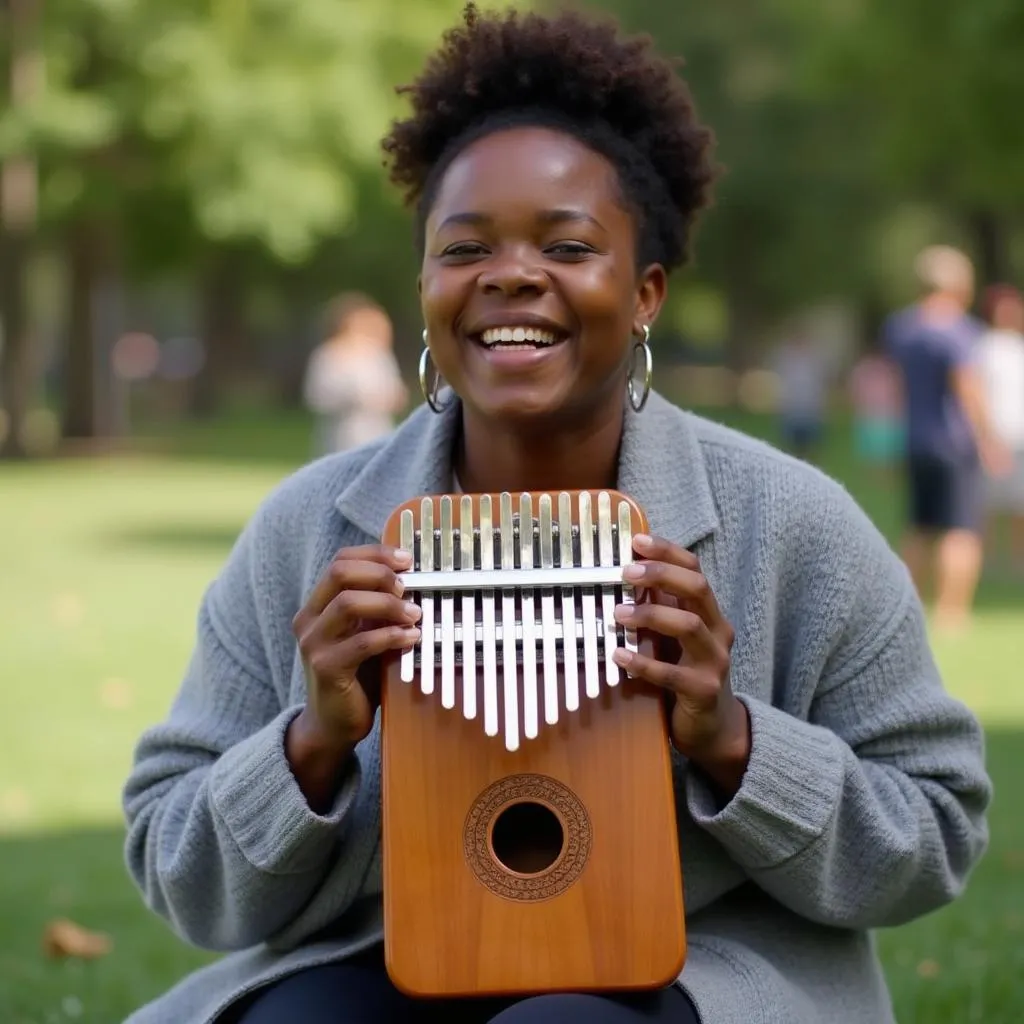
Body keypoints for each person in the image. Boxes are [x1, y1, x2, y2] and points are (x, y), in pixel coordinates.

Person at [120, 7, 991, 1024]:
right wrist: (309, 743)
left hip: (696, 980)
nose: (511, 273)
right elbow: (170, 859)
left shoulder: (792, 524)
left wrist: (735, 740)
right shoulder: (312, 526)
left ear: (645, 293)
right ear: (426, 288)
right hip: (390, 957)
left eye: (568, 244)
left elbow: (936, 829)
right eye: (465, 247)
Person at [883, 245, 1010, 631]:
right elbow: (968, 390)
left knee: (919, 525)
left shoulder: (901, 328)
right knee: (962, 528)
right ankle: (953, 614)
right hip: (956, 443)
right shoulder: (960, 331)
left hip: (916, 439)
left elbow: (894, 389)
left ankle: (911, 606)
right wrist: (989, 439)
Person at [302, 293, 409, 456]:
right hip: (340, 436)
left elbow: (395, 392)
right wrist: (355, 397)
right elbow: (316, 397)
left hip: (376, 434)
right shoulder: (329, 356)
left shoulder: (379, 357)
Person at [977, 284, 1024, 573]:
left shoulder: (1019, 347)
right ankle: (986, 562)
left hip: (1020, 435)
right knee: (987, 505)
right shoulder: (982, 347)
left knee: (1020, 503)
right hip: (993, 436)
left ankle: (1019, 560)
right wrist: (986, 436)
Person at [848, 340, 904, 479]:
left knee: (888, 444)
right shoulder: (864, 369)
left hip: (887, 411)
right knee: (871, 444)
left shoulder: (891, 369)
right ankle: (873, 473)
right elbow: (855, 388)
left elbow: (898, 389)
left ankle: (887, 473)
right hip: (868, 411)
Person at [772, 332, 829, 462]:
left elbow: (820, 386)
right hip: (792, 409)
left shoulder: (814, 361)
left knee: (810, 447)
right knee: (789, 449)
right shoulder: (787, 360)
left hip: (809, 410)